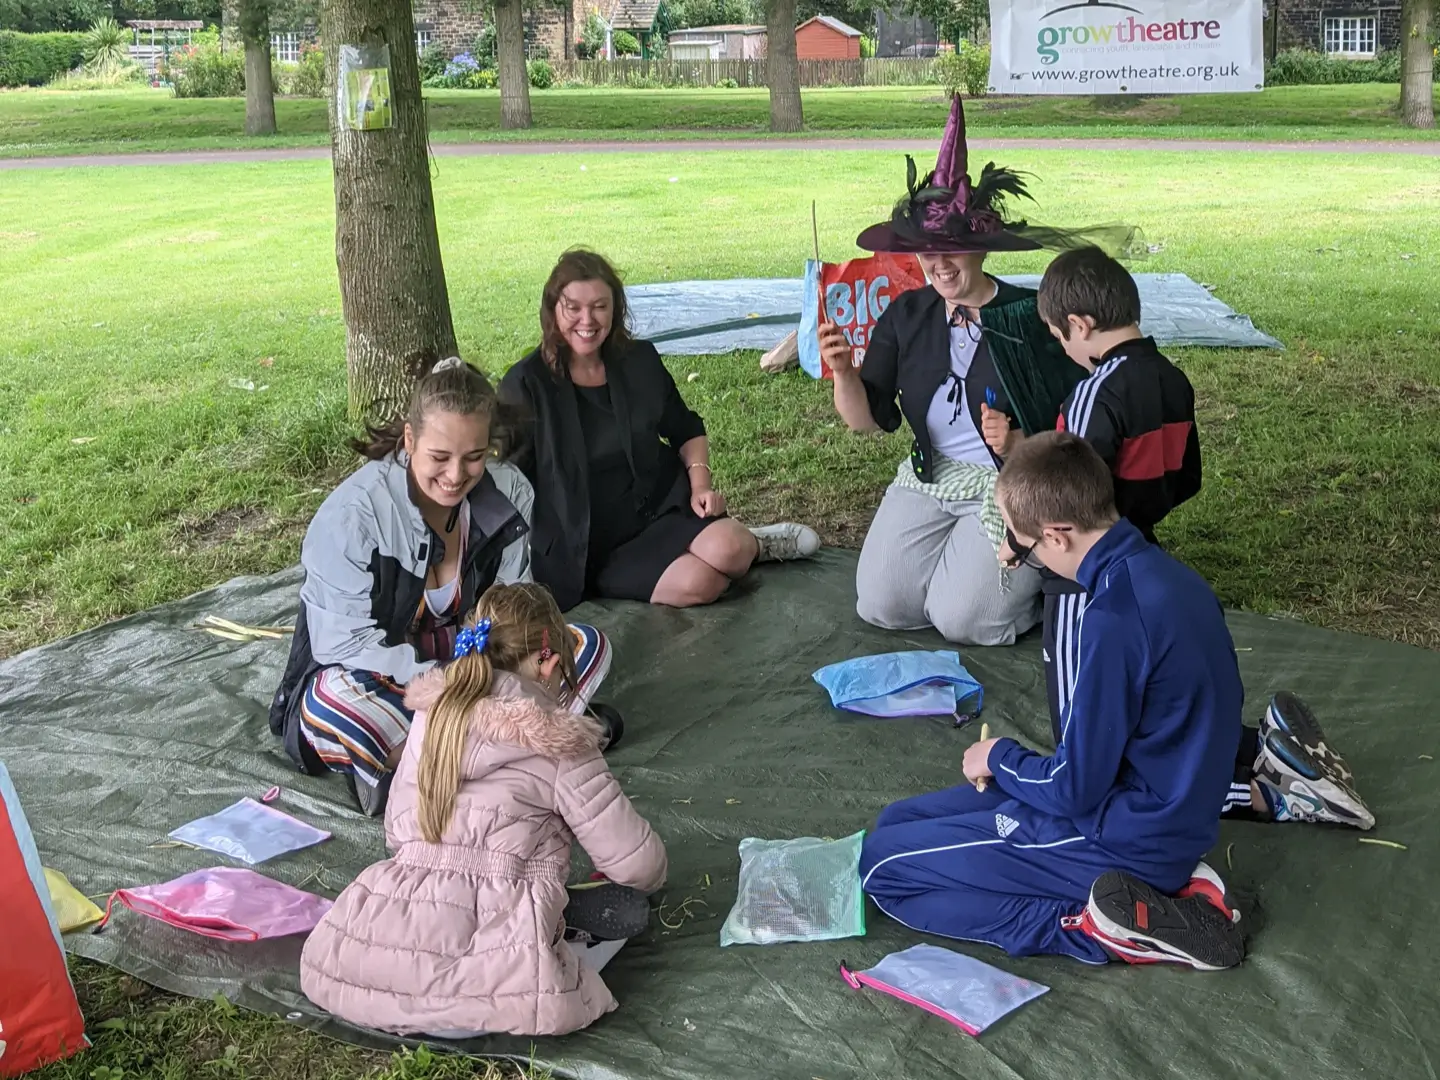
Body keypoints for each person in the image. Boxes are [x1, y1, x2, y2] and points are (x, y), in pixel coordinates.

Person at [988, 246, 1373, 829]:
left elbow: (1063, 496)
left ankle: (1279, 795)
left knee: (1088, 743)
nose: (1062, 350)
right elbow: (1187, 478)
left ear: (1080, 325)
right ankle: (1268, 749)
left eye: (1057, 336)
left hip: (1082, 580)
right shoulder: (1172, 379)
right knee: (1155, 706)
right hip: (1140, 553)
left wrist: (1021, 543)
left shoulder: (1095, 392)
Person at [860, 432, 1246, 971]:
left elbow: (1073, 788)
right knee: (895, 821)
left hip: (1125, 837)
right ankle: (1147, 891)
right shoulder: (1168, 577)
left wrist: (998, 758)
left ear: (1058, 535)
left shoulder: (1114, 619)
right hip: (1160, 810)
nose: (1009, 555)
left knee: (882, 867)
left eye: (1021, 546)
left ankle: (1094, 927)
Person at [825, 94, 1142, 646]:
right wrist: (845, 374)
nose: (939, 264)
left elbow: (1080, 428)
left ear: (982, 250)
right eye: (927, 251)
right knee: (882, 605)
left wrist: (1021, 443)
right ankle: (964, 566)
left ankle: (1038, 583)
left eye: (953, 251)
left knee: (965, 620)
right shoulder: (908, 314)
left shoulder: (1028, 317)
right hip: (932, 475)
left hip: (1012, 482)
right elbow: (864, 421)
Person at [300, 583, 668, 1038]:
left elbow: (398, 833)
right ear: (548, 660)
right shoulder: (560, 741)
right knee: (631, 908)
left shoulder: (430, 715)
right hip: (500, 982)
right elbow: (637, 864)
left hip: (374, 962)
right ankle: (555, 928)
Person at [269, 358, 615, 817]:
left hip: (475, 678)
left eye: (474, 457)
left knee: (582, 644)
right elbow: (342, 644)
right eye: (439, 457)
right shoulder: (352, 516)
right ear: (410, 440)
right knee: (329, 699)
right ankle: (521, 750)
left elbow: (515, 611)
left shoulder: (509, 494)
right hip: (386, 683)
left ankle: (427, 769)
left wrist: (499, 669)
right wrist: (451, 687)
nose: (456, 475)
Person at [500, 248, 820, 613]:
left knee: (734, 550)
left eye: (599, 306)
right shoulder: (526, 384)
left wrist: (701, 488)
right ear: (553, 309)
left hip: (662, 506)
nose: (586, 319)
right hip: (592, 542)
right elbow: (507, 481)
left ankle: (757, 544)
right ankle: (698, 556)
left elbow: (687, 430)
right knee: (703, 583)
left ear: (615, 308)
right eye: (573, 306)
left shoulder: (638, 360)